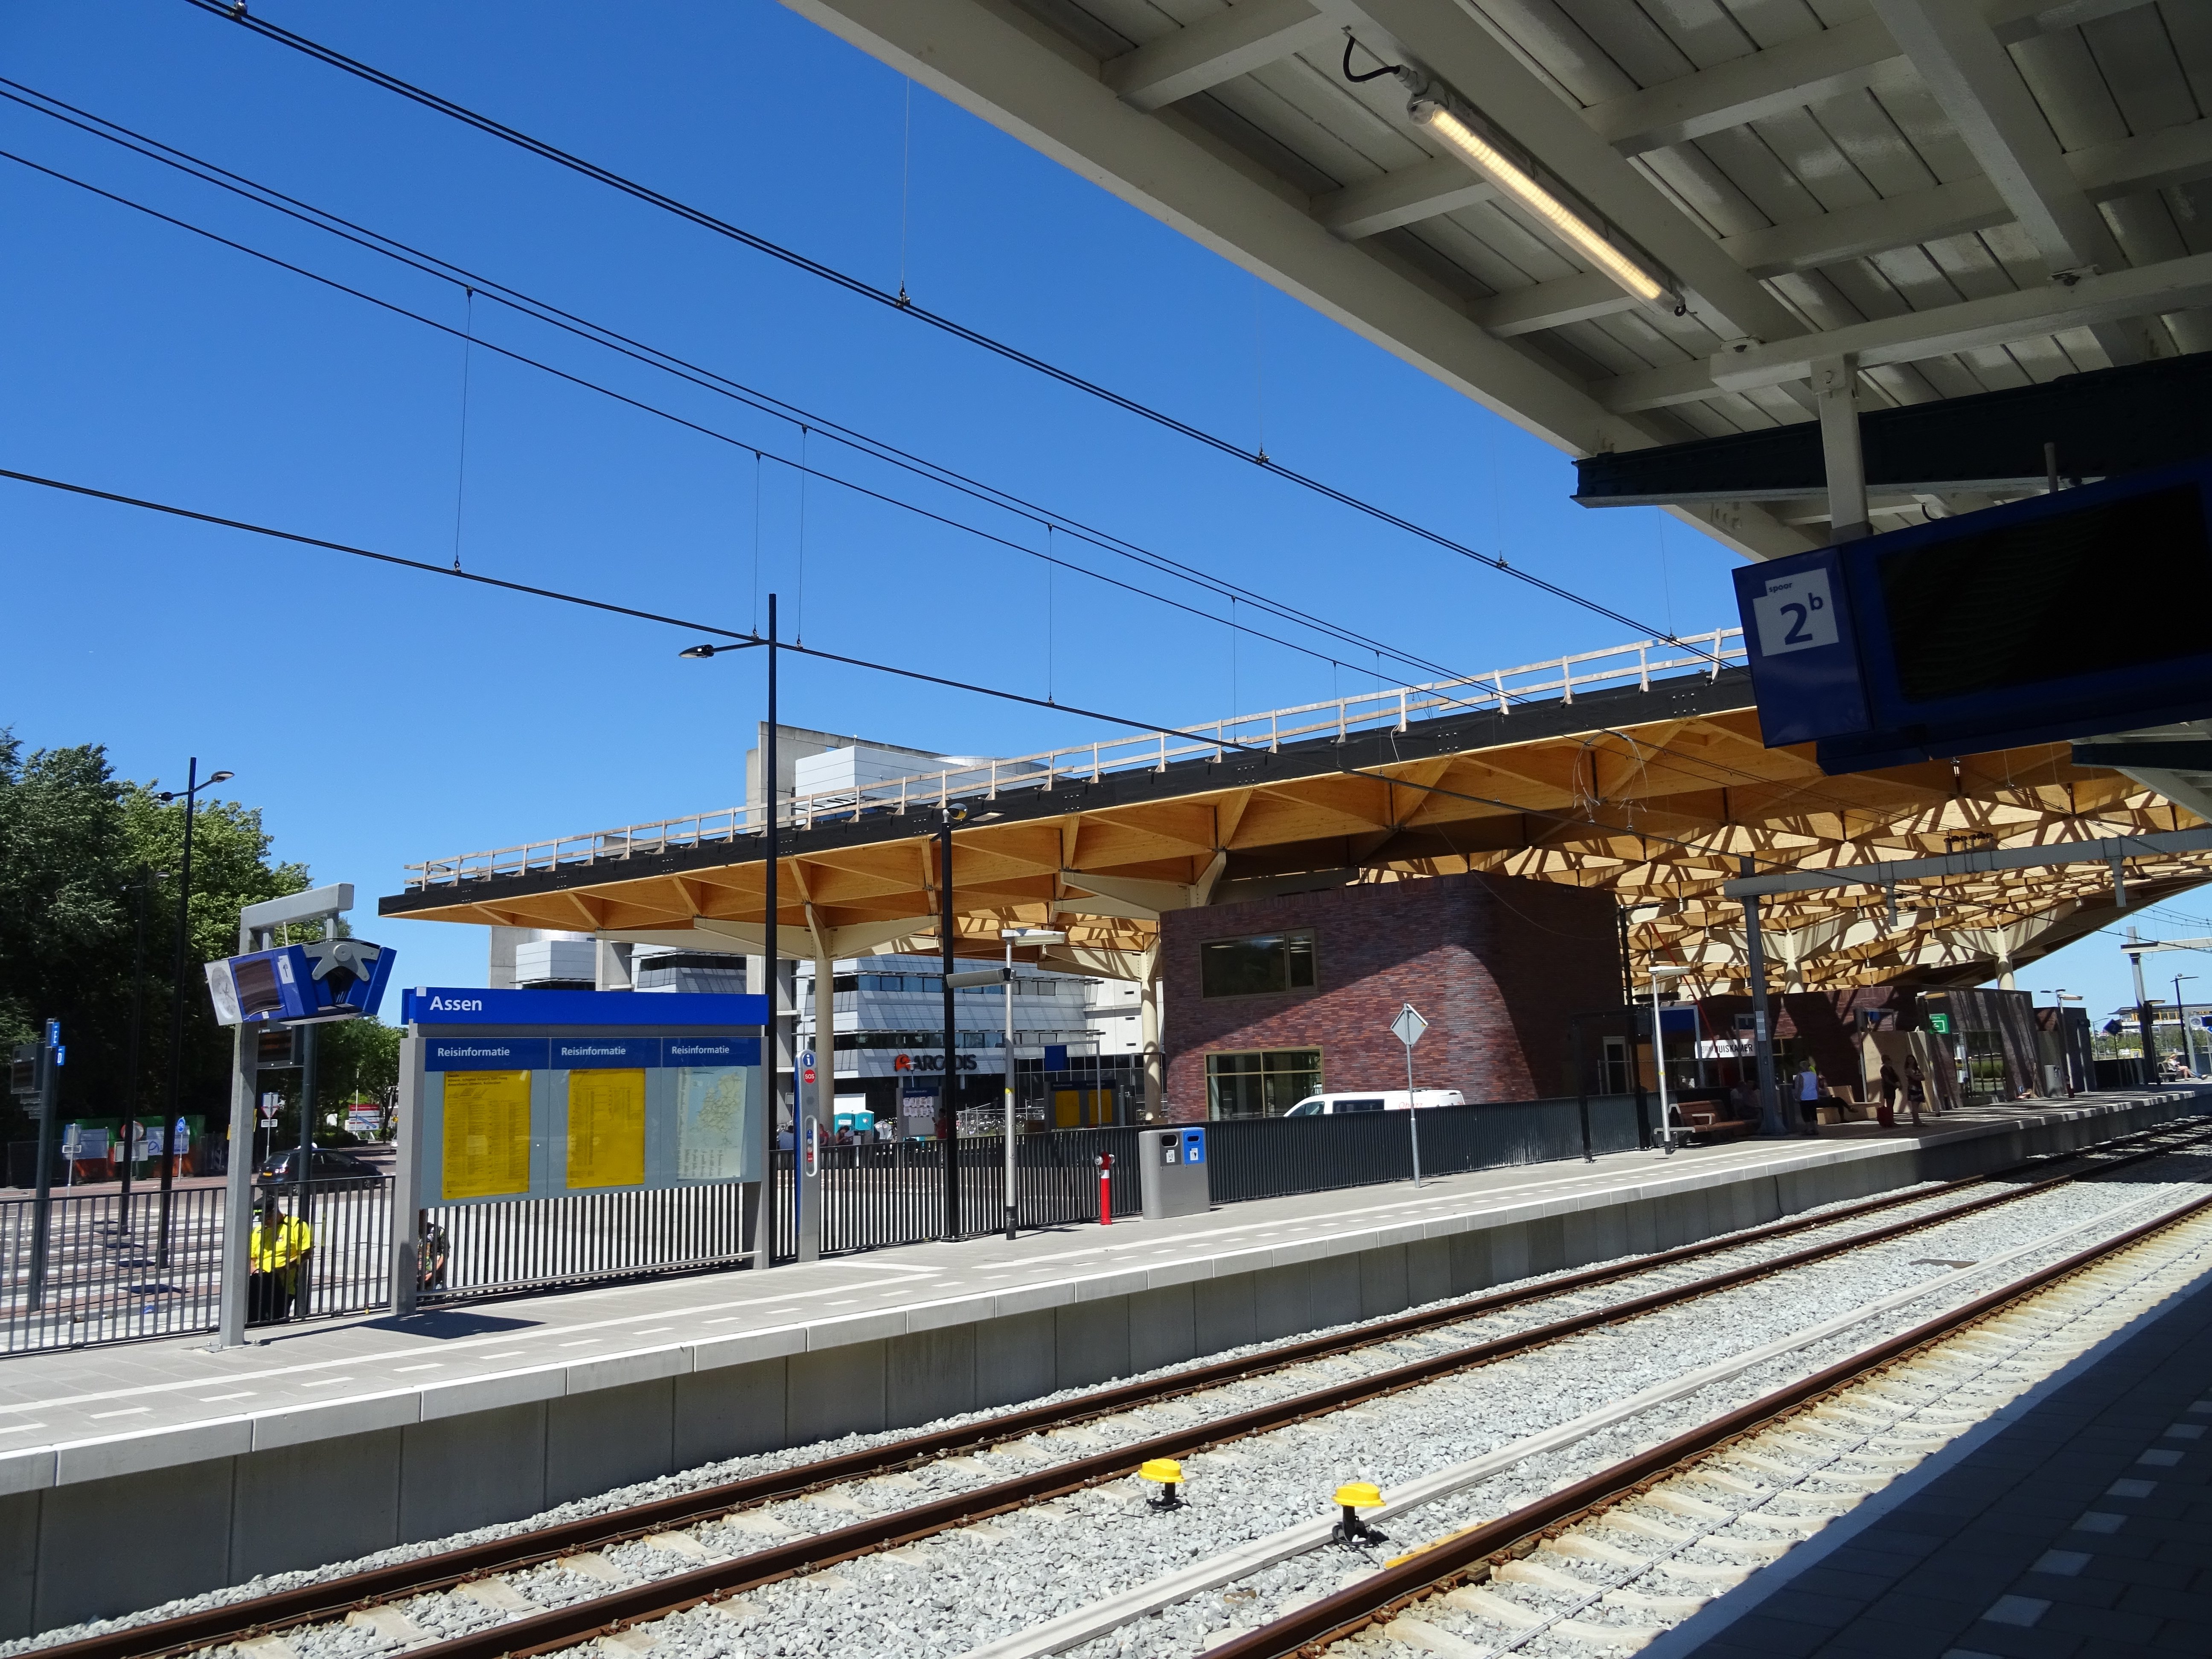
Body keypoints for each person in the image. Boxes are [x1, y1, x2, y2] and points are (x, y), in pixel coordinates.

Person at [247, 1193, 311, 1324]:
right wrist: (255, 1270)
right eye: (262, 1220)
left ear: (276, 1211)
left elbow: (307, 1252)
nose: (265, 1222)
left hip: (282, 1284)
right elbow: (251, 1257)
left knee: (276, 1320)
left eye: (268, 1218)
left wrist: (284, 1268)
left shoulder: (296, 1225)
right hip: (260, 1282)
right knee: (254, 1319)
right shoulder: (259, 1231)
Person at [1795, 1059, 1824, 1129]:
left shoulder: (1802, 1076)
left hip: (1805, 1096)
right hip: (1813, 1096)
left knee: (1806, 1113)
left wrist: (1798, 1097)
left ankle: (1809, 1129)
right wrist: (1818, 1095)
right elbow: (1817, 1086)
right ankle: (1816, 1128)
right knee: (1813, 1112)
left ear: (1801, 1067)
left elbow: (1801, 1087)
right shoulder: (1814, 1075)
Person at [1903, 1056, 1928, 1127]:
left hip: (1919, 1087)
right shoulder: (1908, 1069)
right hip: (1913, 1087)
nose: (1911, 1061)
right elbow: (1914, 1077)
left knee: (1917, 1105)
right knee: (1915, 1105)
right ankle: (1917, 1121)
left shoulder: (1917, 1069)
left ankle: (1916, 1121)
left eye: (1912, 1059)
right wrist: (1918, 1078)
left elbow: (1923, 1077)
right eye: (1909, 1060)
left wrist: (1919, 1078)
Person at [1876, 1058, 1901, 1129]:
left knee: (1891, 1105)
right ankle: (1891, 1121)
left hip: (1892, 1088)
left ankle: (1891, 1120)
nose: (1891, 1061)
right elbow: (1887, 1080)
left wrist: (1898, 1084)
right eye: (1889, 1060)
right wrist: (1895, 1085)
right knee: (1890, 1105)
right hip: (1888, 1088)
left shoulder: (1890, 1068)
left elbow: (1896, 1076)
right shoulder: (1884, 1069)